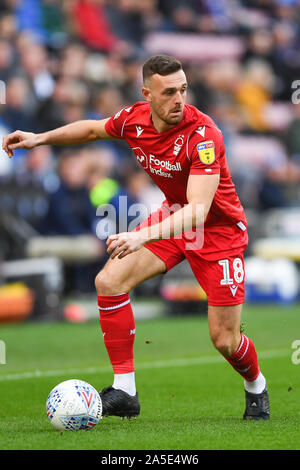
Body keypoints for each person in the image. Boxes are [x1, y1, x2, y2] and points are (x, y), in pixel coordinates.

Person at [2, 55, 270, 421]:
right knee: (109, 281)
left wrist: (140, 234)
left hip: (217, 232)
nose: (180, 99)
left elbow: (199, 211)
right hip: (174, 219)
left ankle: (255, 384)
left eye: (184, 90)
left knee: (224, 339)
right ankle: (125, 391)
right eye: (170, 92)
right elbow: (93, 130)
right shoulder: (133, 119)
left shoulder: (204, 135)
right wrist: (40, 138)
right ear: (147, 94)